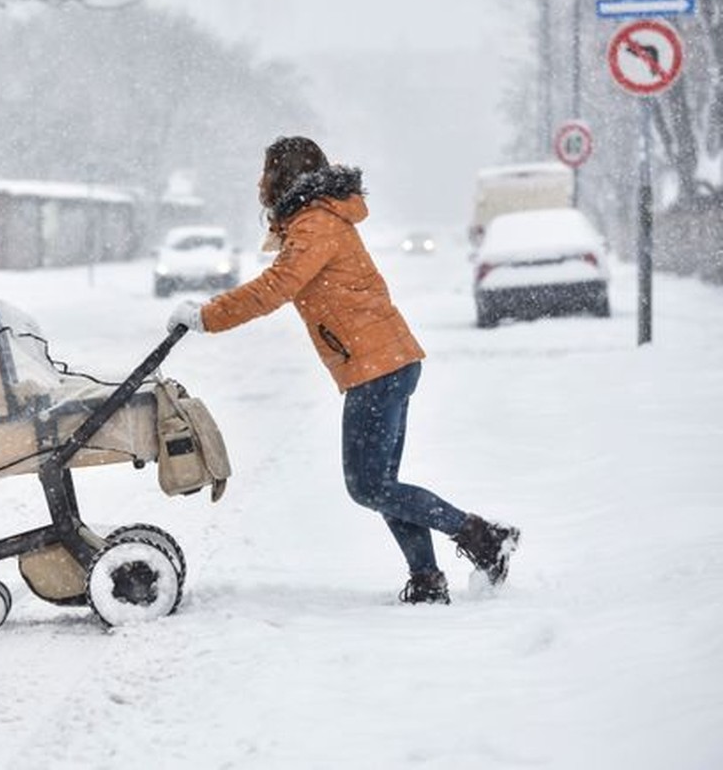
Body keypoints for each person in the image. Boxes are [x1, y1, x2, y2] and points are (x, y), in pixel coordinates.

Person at [167, 135, 519, 605]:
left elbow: (275, 288)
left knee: (368, 486)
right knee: (384, 486)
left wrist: (206, 316)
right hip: (386, 362)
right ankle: (428, 579)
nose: (259, 181)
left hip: (377, 368)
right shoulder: (317, 218)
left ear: (283, 176)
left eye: (265, 172)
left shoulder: (315, 224)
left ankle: (482, 536)